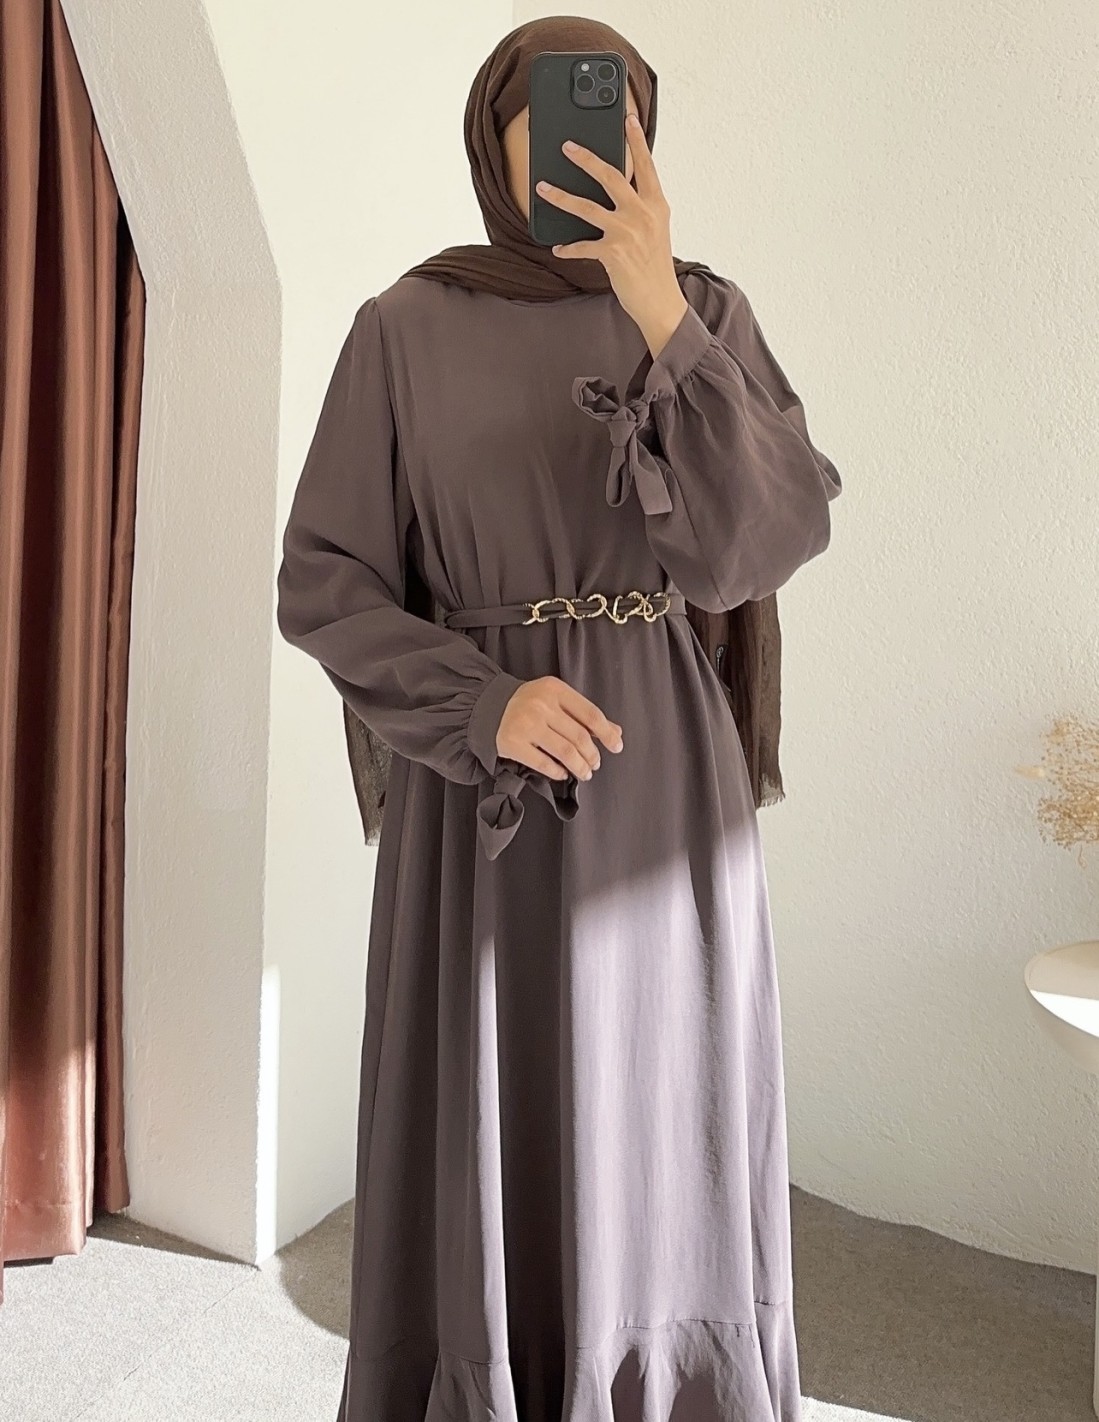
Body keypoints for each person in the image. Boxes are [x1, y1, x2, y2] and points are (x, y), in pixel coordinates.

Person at [276, 14, 841, 1422]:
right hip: (487, 790)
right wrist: (481, 701)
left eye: (619, 121)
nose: (594, 150)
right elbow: (324, 578)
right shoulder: (403, 328)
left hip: (664, 772)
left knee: (666, 1108)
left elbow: (762, 545)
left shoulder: (704, 312)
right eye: (559, 122)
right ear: (497, 144)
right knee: (495, 1101)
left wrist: (664, 321)